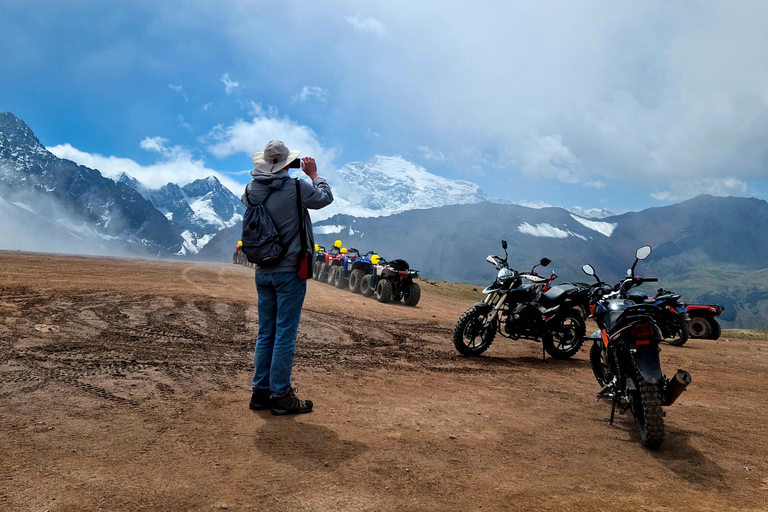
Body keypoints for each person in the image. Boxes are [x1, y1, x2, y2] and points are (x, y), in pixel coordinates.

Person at [243, 140, 333, 415]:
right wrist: (314, 175)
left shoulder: (250, 190)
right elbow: (324, 198)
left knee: (266, 333)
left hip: (262, 271)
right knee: (285, 334)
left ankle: (260, 393)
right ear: (286, 164)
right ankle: (281, 395)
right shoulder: (296, 186)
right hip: (290, 271)